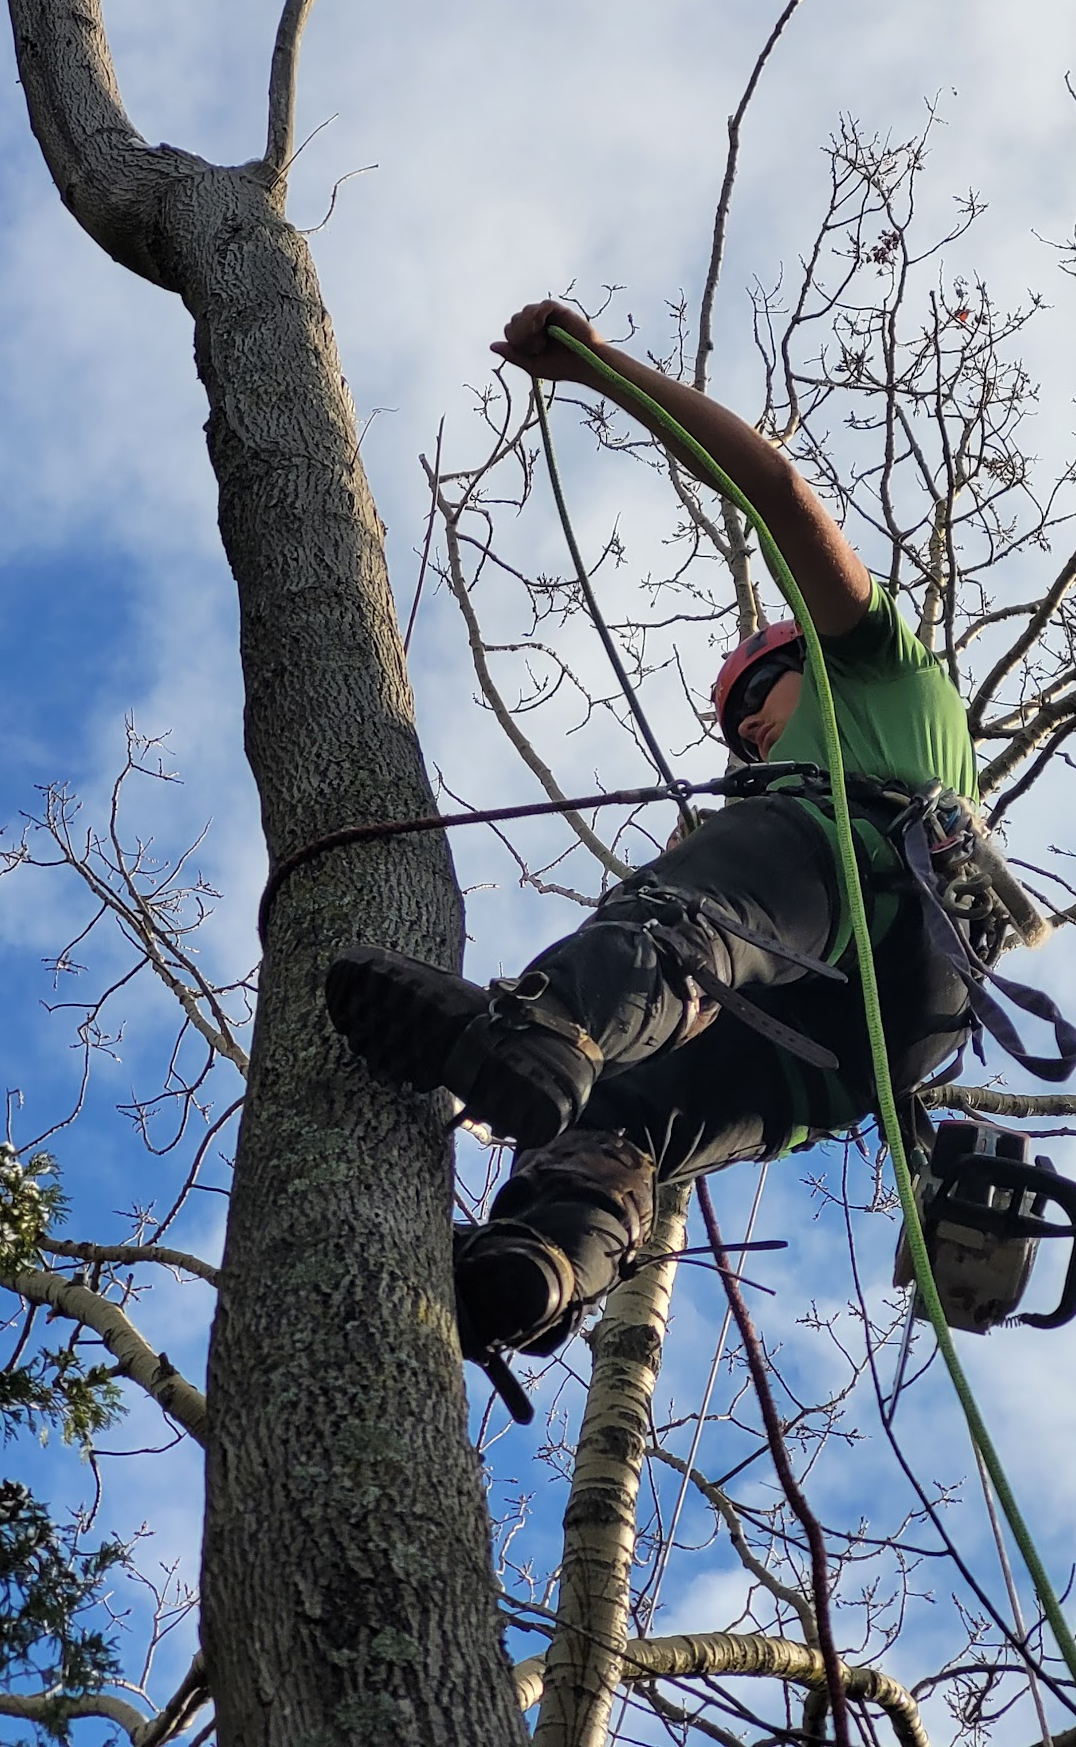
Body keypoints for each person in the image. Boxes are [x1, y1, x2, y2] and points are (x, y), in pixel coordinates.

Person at [326, 300, 978, 1367]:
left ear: (807, 658)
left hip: (872, 890)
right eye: (738, 727)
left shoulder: (877, 667)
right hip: (863, 1050)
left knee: (681, 917)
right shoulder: (803, 772)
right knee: (630, 1123)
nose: (749, 732)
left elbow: (772, 487)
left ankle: (549, 1025)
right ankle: (540, 1268)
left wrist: (599, 371)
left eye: (757, 699)